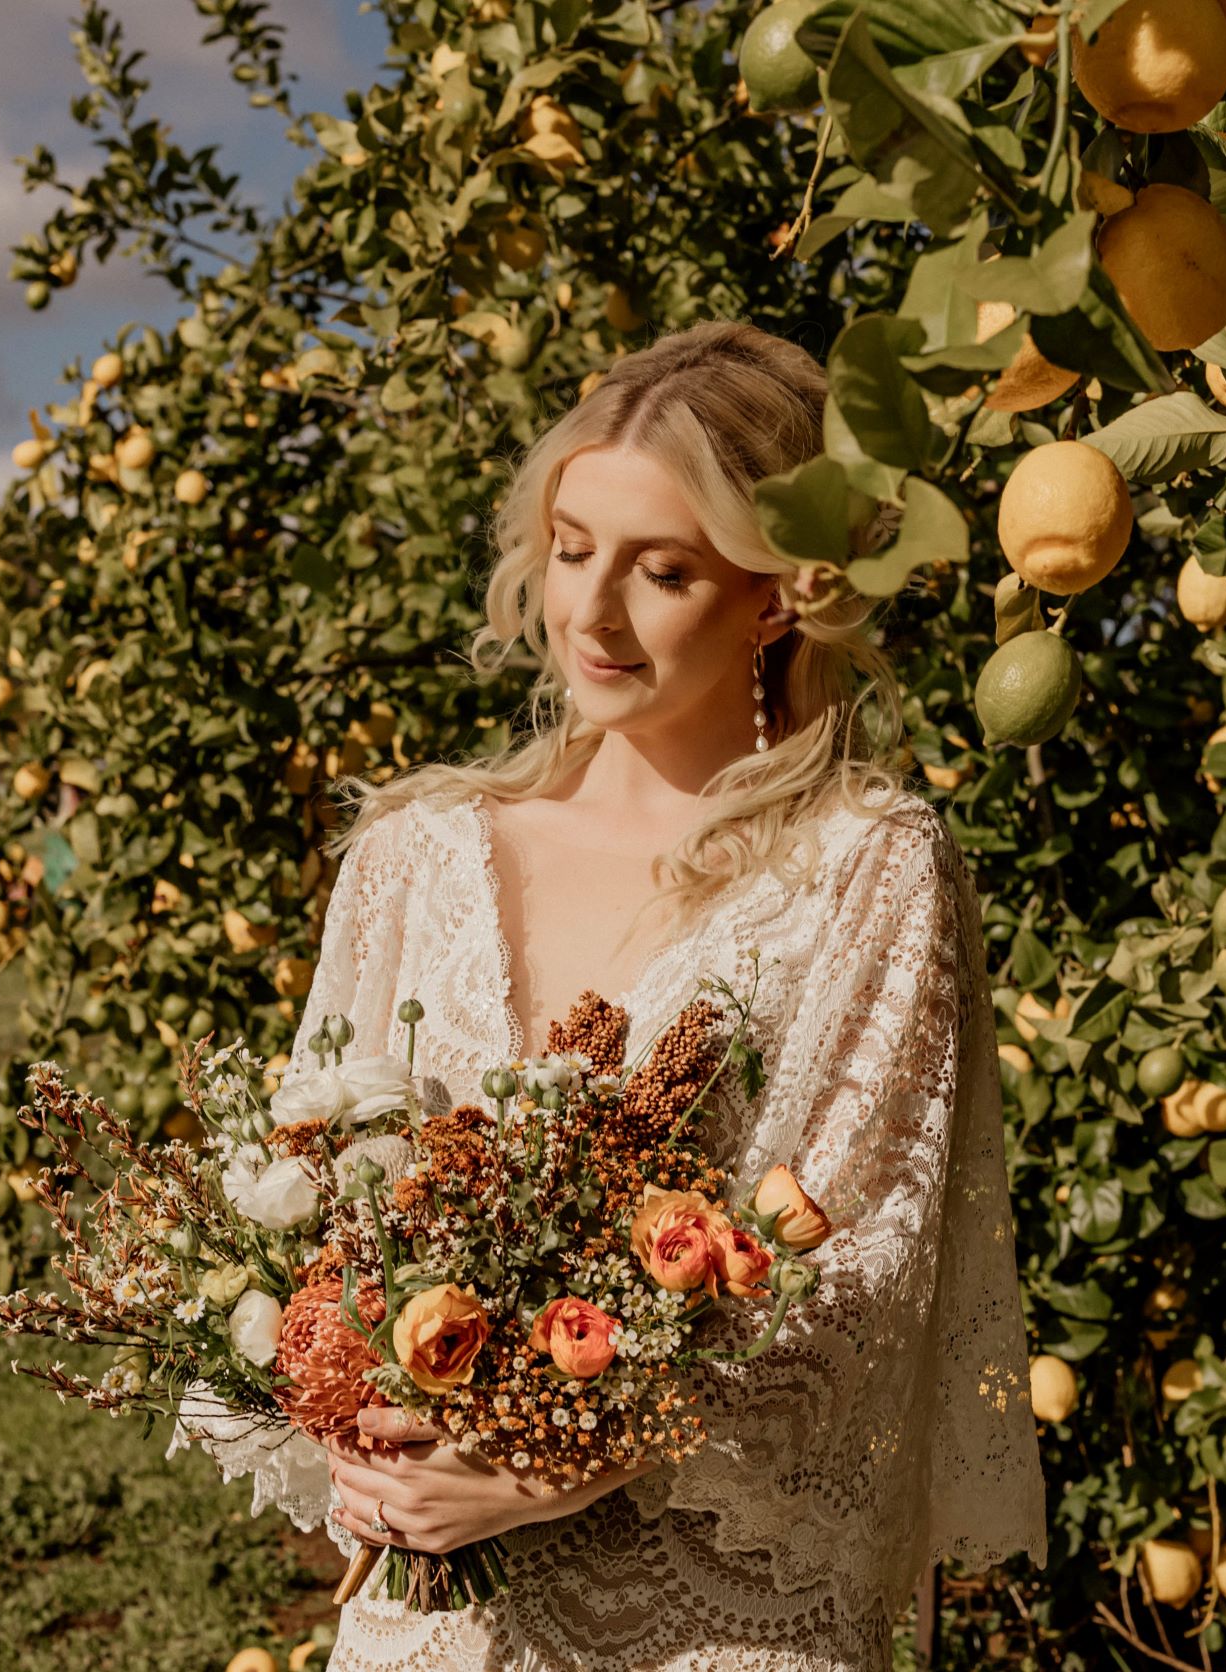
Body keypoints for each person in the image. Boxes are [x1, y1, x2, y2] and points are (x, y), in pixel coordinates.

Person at [170, 320, 1047, 1669]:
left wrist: (563, 1456)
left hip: (721, 1615)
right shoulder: (412, 855)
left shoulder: (864, 869)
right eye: (574, 551)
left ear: (776, 595)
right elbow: (303, 1210)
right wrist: (354, 1416)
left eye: (663, 570)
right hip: (434, 1618)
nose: (591, 613)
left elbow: (864, 1268)